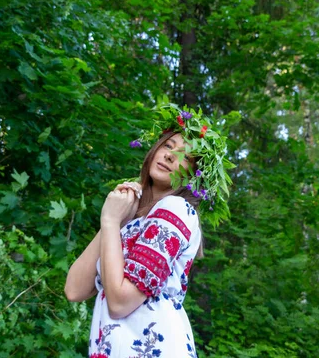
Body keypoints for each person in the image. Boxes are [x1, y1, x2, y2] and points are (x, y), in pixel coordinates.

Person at [65, 104, 233, 358]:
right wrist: (117, 220)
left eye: (185, 156)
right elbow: (74, 290)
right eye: (168, 145)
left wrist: (110, 221)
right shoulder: (135, 221)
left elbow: (120, 302)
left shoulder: (175, 210)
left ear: (194, 176)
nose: (170, 156)